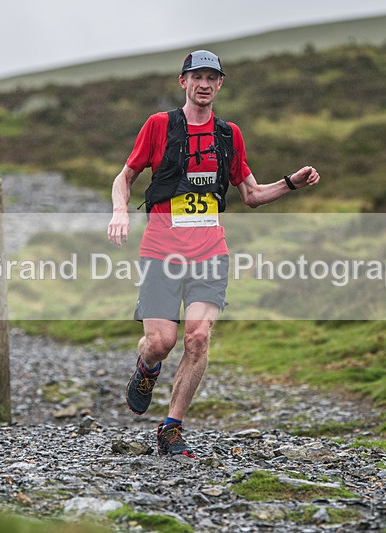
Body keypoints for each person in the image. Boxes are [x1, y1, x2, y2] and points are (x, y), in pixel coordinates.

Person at [107, 49, 320, 458]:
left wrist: (291, 183)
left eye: (212, 77)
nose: (204, 83)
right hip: (161, 250)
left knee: (198, 337)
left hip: (210, 251)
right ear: (183, 81)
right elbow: (126, 176)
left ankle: (171, 428)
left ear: (220, 84)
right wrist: (119, 210)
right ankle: (147, 368)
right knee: (160, 341)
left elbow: (252, 195)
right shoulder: (158, 126)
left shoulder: (229, 134)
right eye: (196, 76)